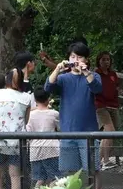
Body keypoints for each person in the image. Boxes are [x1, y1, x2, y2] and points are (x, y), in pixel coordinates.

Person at [44, 41, 103, 180]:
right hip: (68, 133)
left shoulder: (93, 76)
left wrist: (86, 72)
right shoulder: (63, 78)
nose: (76, 60)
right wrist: (57, 69)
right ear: (68, 59)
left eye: (79, 57)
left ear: (86, 59)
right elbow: (48, 88)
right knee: (70, 173)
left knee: (93, 171)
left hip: (89, 133)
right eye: (72, 57)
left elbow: (97, 89)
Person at [26, 88, 62, 187]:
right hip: (52, 149)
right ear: (48, 99)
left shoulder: (30, 115)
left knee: (40, 179)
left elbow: (27, 131)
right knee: (56, 178)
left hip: (35, 150)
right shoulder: (54, 113)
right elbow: (60, 128)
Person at [94, 52, 122, 169]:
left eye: (108, 59)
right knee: (109, 130)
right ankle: (105, 160)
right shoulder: (96, 74)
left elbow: (116, 88)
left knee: (111, 133)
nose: (106, 62)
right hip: (101, 106)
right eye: (103, 59)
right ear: (99, 61)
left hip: (113, 106)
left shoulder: (113, 74)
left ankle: (97, 162)